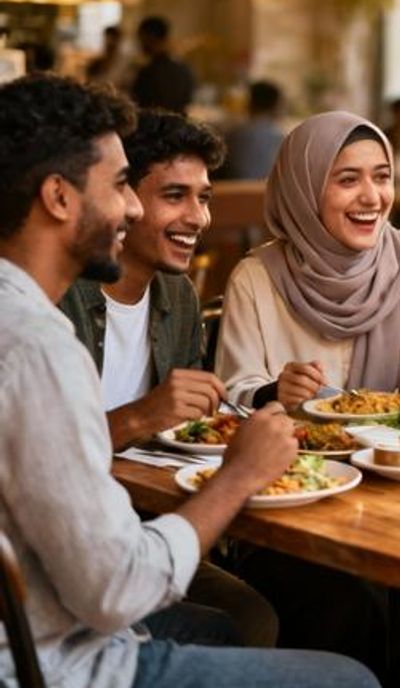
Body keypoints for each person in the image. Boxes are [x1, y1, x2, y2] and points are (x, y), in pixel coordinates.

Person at [0, 73, 379, 688]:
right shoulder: (40, 346)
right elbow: (117, 590)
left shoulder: (35, 313)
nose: (130, 207)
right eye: (120, 185)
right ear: (59, 197)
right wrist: (238, 476)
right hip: (61, 660)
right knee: (349, 680)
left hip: (62, 606)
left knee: (236, 624)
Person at [215, 110, 400, 678]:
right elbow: (228, 401)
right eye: (347, 179)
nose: (372, 197)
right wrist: (273, 392)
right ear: (304, 189)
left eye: (382, 176)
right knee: (348, 596)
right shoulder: (257, 276)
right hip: (289, 508)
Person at [59, 107, 279, 647]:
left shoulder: (178, 297)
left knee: (258, 614)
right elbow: (45, 457)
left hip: (142, 525)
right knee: (242, 626)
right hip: (70, 547)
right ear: (124, 200)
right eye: (175, 195)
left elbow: (188, 433)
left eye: (204, 197)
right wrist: (143, 416)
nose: (198, 217)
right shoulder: (58, 298)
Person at [220, 80, 285, 179]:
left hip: (230, 187)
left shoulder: (233, 133)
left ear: (250, 103)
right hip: (262, 188)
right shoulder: (281, 138)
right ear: (276, 106)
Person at [131, 15, 196, 114]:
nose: (139, 44)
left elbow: (140, 106)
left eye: (140, 38)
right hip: (179, 123)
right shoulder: (185, 69)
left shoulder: (149, 72)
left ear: (149, 37)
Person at [86, 25, 133, 89]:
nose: (109, 43)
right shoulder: (98, 63)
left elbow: (123, 84)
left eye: (112, 41)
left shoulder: (125, 63)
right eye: (107, 40)